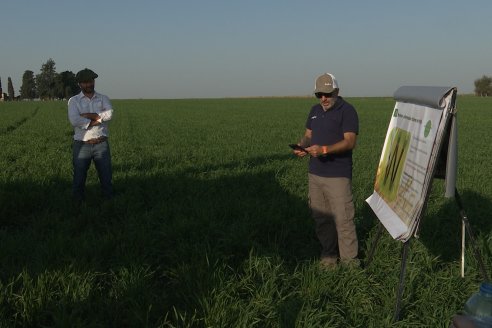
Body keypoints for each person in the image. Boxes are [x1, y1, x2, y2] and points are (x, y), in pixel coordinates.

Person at [293, 72, 359, 268]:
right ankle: (329, 256)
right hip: (315, 174)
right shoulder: (314, 110)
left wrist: (323, 150)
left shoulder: (347, 111)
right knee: (321, 218)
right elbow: (308, 135)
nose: (324, 98)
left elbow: (350, 142)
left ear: (337, 91)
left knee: (343, 219)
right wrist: (302, 145)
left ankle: (350, 263)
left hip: (337, 175)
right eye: (319, 94)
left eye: (328, 94)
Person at [68, 68, 114, 203]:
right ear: (79, 84)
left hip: (101, 144)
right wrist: (99, 118)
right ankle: (77, 205)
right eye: (85, 82)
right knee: (79, 178)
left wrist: (88, 116)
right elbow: (75, 120)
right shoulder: (74, 101)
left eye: (90, 81)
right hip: (82, 145)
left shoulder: (103, 98)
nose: (88, 84)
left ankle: (109, 204)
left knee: (106, 177)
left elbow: (110, 114)